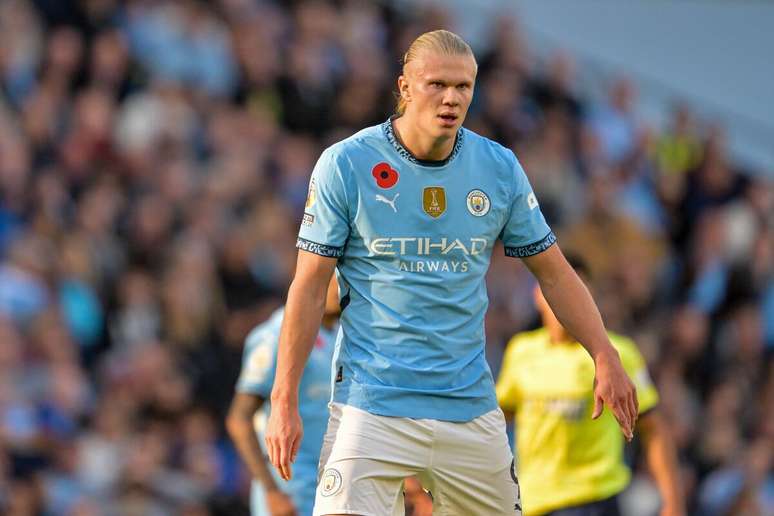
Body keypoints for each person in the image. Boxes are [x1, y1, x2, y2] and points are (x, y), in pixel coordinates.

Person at [265, 29, 639, 516]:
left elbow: (555, 274)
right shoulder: (347, 164)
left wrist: (604, 354)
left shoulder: (497, 167)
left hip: (467, 407)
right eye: (436, 84)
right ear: (404, 88)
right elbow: (310, 286)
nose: (451, 98)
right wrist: (283, 398)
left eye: (463, 87)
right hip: (371, 402)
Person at [497, 256, 685, 516]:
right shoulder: (522, 352)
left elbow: (653, 428)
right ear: (538, 295)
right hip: (533, 500)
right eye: (558, 291)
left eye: (576, 292)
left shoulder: (615, 355)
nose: (564, 301)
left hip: (593, 497)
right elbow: (500, 416)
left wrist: (673, 502)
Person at [226, 276, 340, 516]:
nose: (343, 285)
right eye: (334, 277)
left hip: (330, 484)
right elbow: (239, 419)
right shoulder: (277, 335)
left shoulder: (342, 335)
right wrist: (271, 491)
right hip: (291, 486)